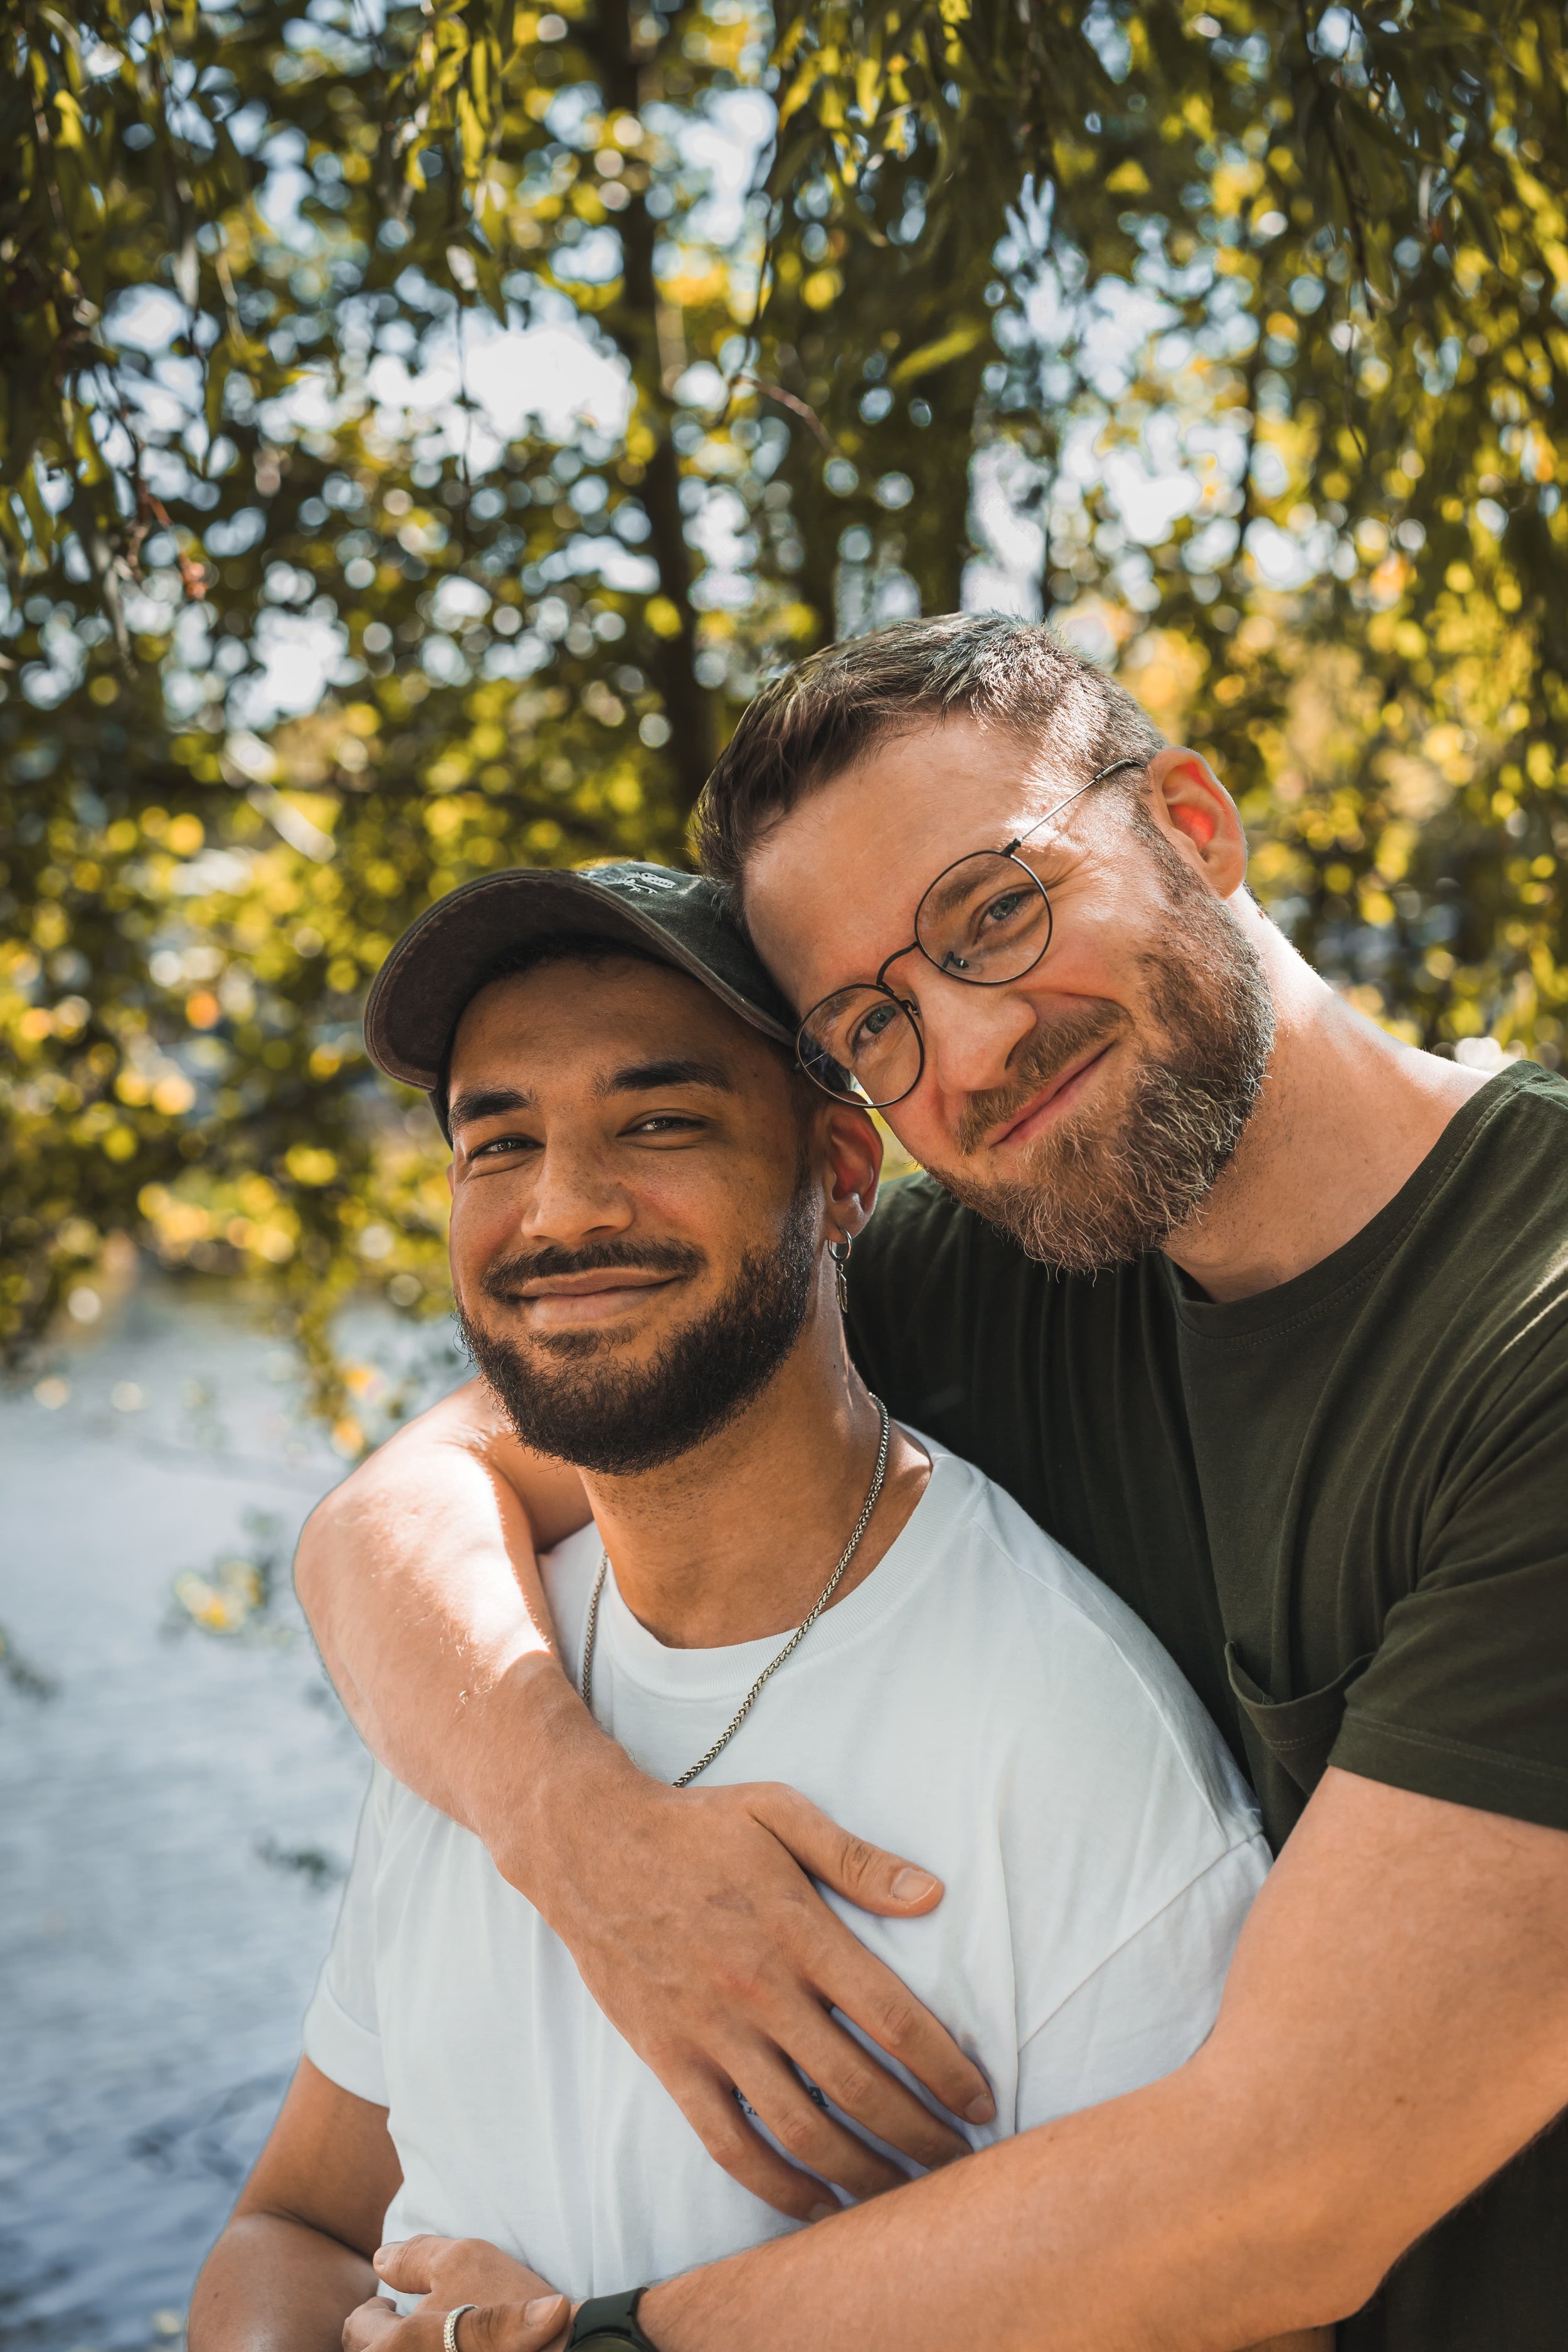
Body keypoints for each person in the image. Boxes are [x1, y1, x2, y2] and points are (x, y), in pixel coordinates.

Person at [294, 618, 1568, 2352]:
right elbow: (399, 1504)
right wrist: (585, 1835)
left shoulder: (1530, 1327)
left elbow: (1287, 2189)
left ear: (1190, 825)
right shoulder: (1029, 1243)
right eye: (870, 1020)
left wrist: (583, 2339)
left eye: (994, 912)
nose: (966, 1054)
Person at [193, 864, 1295, 2352]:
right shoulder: (483, 1680)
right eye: (496, 1141)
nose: (560, 1209)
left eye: (658, 1122)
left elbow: (1248, 2319)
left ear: (842, 1174)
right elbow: (295, 2229)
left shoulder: (1063, 1742)